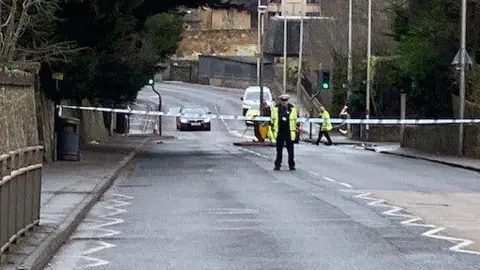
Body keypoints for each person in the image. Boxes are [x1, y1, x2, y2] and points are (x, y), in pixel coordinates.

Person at [270, 94, 298, 170]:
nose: (284, 102)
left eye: (286, 101)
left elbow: (295, 121)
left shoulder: (293, 109)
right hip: (280, 132)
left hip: (289, 132)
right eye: (283, 101)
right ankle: (277, 165)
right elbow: (272, 120)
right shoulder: (276, 109)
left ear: (288, 101)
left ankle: (291, 165)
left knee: (291, 151)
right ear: (280, 101)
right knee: (279, 150)